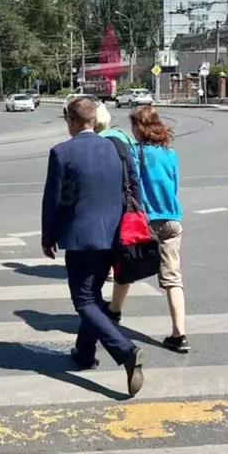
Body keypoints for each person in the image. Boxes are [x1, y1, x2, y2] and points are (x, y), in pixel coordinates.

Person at [41, 97, 145, 396]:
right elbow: (134, 186)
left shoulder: (62, 152)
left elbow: (53, 199)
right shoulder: (117, 147)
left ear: (71, 122)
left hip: (80, 239)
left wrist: (48, 237)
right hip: (115, 236)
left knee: (84, 301)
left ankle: (126, 352)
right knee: (93, 297)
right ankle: (84, 352)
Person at [114, 105, 189, 353]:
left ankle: (114, 311)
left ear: (139, 127)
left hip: (145, 221)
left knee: (127, 264)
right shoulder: (171, 154)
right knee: (172, 278)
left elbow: (130, 185)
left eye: (133, 125)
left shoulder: (136, 153)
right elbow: (174, 185)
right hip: (171, 219)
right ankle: (179, 335)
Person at [94, 103, 137, 324]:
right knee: (124, 259)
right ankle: (114, 308)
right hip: (130, 207)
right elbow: (135, 176)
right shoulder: (124, 138)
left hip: (111, 210)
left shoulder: (100, 143)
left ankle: (107, 314)